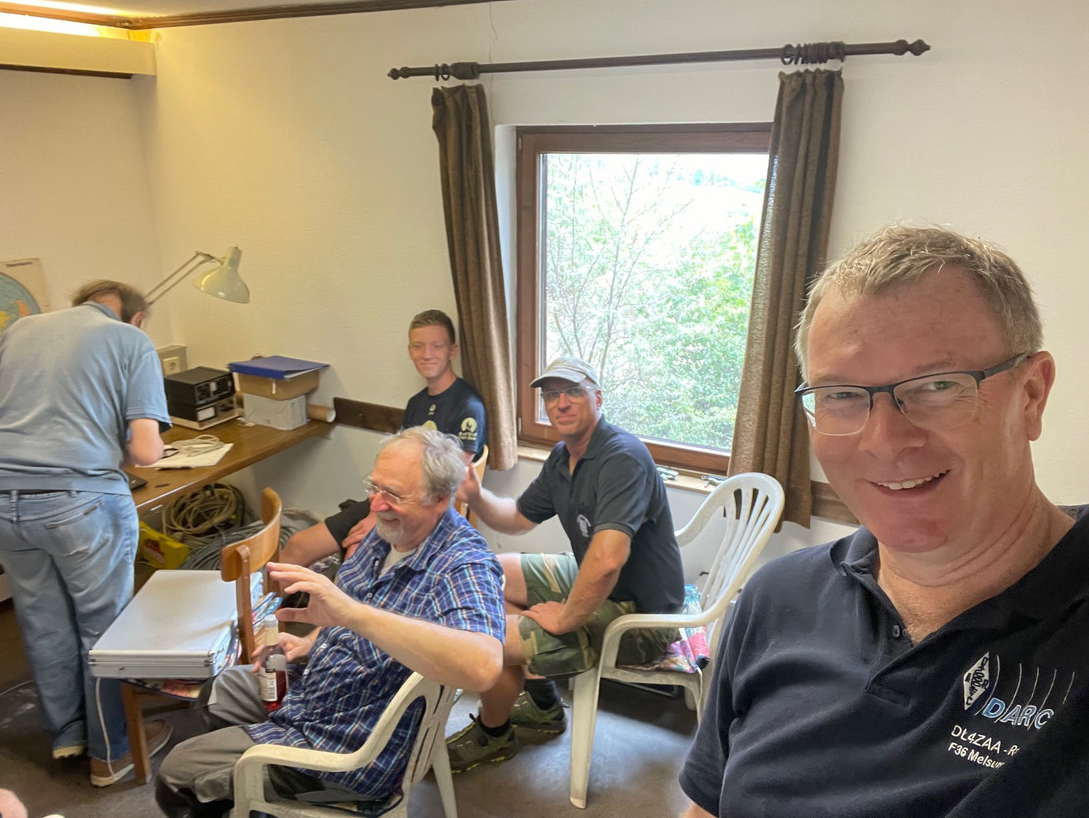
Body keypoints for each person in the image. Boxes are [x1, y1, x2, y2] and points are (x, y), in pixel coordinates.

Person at [679, 226, 1088, 818]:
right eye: (842, 395)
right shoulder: (776, 599)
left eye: (938, 385)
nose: (885, 441)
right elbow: (710, 806)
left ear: (1031, 394)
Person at [154, 427, 506, 817]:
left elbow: (484, 666)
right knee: (217, 693)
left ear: (440, 499)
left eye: (393, 495)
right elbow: (351, 607)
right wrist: (310, 642)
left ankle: (253, 788)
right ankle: (249, 796)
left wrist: (353, 614)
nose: (376, 504)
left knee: (178, 774)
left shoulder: (463, 565)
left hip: (347, 749)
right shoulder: (389, 532)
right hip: (320, 691)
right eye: (374, 487)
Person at [0, 280, 171, 787]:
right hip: (77, 500)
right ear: (135, 317)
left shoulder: (20, 329)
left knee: (43, 618)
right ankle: (111, 753)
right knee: (104, 628)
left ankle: (69, 736)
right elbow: (147, 451)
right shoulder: (131, 340)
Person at [446, 356, 684, 771]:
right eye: (552, 395)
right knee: (491, 573)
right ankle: (543, 704)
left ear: (598, 398)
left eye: (573, 391)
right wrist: (477, 496)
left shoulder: (622, 458)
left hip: (642, 616)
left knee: (483, 636)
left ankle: (494, 732)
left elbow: (607, 561)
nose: (562, 403)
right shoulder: (563, 457)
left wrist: (566, 618)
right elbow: (517, 519)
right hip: (602, 585)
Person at [279, 308, 487, 566]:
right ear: (410, 351)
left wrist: (378, 518)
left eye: (436, 346)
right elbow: (395, 464)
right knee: (297, 545)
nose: (427, 354)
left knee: (353, 557)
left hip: (416, 512)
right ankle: (266, 595)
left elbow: (450, 480)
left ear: (452, 351)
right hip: (386, 500)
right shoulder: (416, 403)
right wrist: (374, 509)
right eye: (418, 346)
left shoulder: (468, 406)